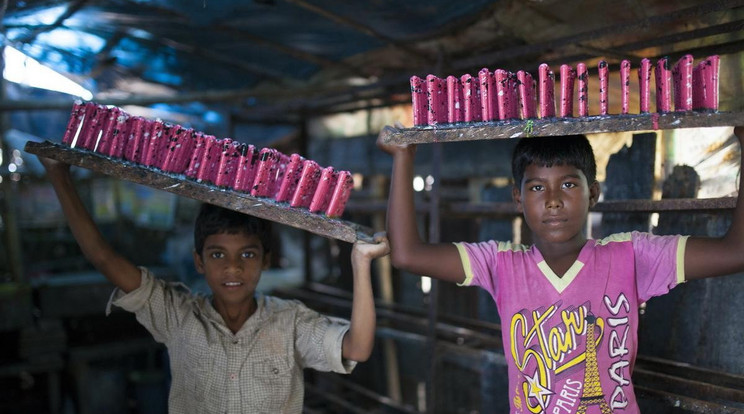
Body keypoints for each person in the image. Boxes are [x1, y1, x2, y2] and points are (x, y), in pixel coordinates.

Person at [377, 125, 744, 414]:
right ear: (518, 199)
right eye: (537, 187)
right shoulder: (501, 264)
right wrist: (402, 158)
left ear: (594, 193)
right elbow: (407, 254)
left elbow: (735, 251)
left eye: (568, 184)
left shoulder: (632, 256)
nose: (553, 200)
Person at [38, 156, 390, 414]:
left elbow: (357, 348)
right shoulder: (175, 315)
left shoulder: (291, 322)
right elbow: (103, 258)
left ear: (266, 260)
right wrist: (58, 175)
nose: (233, 267)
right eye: (218, 255)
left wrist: (360, 263)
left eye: (248, 255)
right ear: (199, 261)